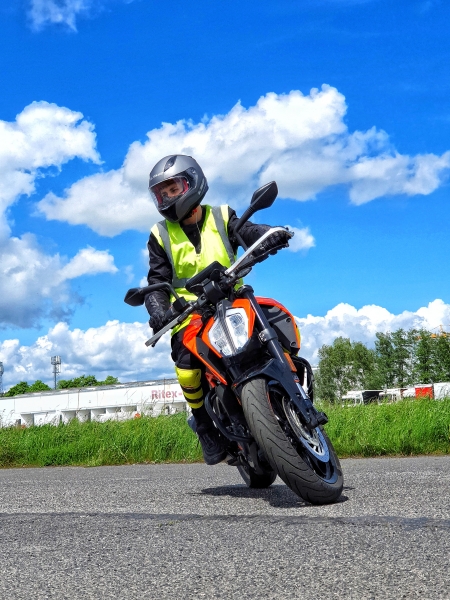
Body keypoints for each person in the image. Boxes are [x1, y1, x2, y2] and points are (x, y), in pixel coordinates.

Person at [145, 154, 291, 465]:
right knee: (185, 363)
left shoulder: (222, 215)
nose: (168, 197)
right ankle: (202, 423)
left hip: (233, 297)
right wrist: (158, 310)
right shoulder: (160, 234)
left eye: (173, 189)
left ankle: (291, 383)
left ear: (193, 182)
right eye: (162, 193)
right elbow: (157, 281)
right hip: (192, 313)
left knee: (274, 322)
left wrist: (269, 234)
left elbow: (246, 231)